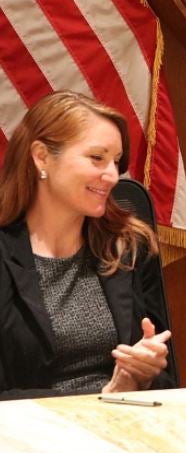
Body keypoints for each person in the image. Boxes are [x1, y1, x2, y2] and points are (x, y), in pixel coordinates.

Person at [0, 91, 173, 400]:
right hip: (28, 426)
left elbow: (166, 380)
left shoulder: (127, 245)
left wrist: (145, 374)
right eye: (97, 158)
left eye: (116, 161)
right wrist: (100, 397)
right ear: (41, 157)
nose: (112, 175)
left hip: (126, 417)